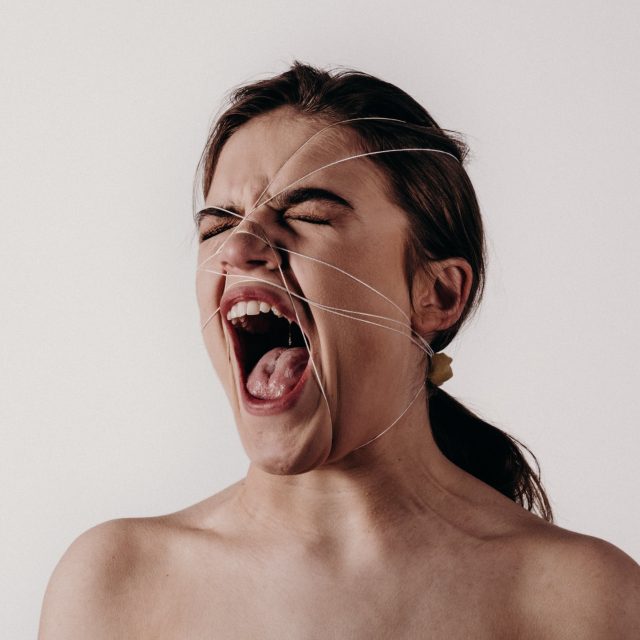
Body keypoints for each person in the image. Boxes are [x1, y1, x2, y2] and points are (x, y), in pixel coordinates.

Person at [39, 62, 639, 639]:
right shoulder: (116, 584)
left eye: (307, 215)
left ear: (438, 294)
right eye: (216, 227)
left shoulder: (584, 600)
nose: (238, 248)